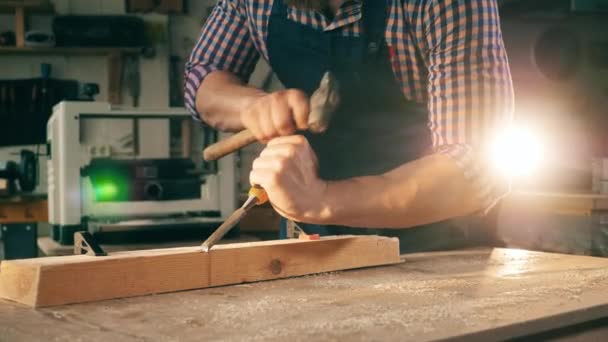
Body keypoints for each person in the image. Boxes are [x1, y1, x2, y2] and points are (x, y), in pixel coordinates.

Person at [185, 0, 514, 252]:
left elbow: (475, 165)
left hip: (438, 241)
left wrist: (322, 199)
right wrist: (250, 106)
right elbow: (203, 74)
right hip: (313, 241)